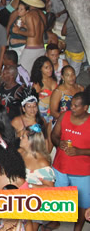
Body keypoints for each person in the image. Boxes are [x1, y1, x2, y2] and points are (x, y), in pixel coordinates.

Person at [51, 92, 90, 231]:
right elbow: (54, 135)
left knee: (82, 203)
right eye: (71, 103)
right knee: (56, 198)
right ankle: (55, 221)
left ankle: (78, 227)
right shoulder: (64, 116)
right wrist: (58, 142)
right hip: (60, 167)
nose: (71, 107)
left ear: (85, 107)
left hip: (81, 172)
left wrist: (80, 152)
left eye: (75, 105)